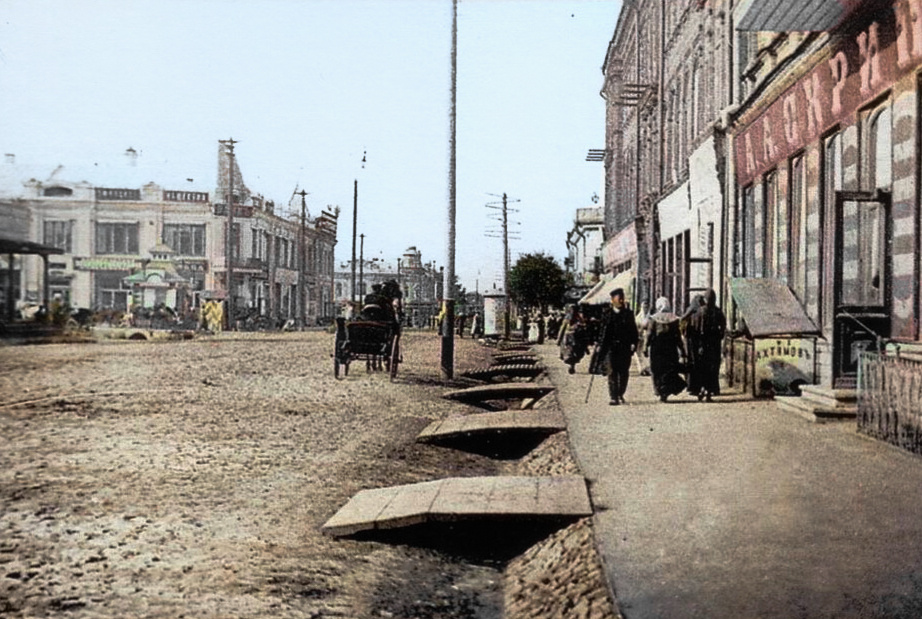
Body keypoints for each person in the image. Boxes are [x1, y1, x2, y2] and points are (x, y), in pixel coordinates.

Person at [591, 288, 639, 406]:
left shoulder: (628, 314)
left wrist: (634, 343)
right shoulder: (607, 314)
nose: (621, 301)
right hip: (610, 347)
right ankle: (613, 397)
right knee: (612, 371)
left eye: (622, 299)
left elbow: (633, 331)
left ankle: (620, 393)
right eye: (619, 299)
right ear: (612, 300)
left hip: (624, 347)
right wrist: (598, 343)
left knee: (623, 372)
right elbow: (602, 331)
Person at [686, 288, 727, 401]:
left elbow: (695, 331)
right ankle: (709, 391)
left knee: (702, 368)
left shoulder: (699, 312)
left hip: (702, 345)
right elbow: (723, 328)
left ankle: (701, 390)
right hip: (713, 346)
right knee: (712, 369)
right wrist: (719, 336)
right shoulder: (718, 312)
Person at [644, 297, 687, 402]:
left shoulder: (653, 319)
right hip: (670, 349)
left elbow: (649, 334)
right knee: (669, 371)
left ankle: (660, 391)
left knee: (657, 371)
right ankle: (666, 392)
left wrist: (646, 347)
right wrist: (682, 350)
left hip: (657, 349)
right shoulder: (674, 319)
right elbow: (677, 337)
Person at [680, 294, 705, 396]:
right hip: (695, 341)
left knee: (692, 362)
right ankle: (695, 386)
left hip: (691, 341)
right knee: (696, 363)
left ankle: (692, 386)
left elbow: (682, 326)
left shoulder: (690, 311)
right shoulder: (700, 312)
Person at [558, 305, 589, 374]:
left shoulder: (577, 318)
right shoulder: (573, 318)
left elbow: (562, 329)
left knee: (573, 353)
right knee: (573, 353)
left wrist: (559, 339)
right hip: (572, 339)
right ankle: (572, 365)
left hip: (573, 338)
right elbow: (562, 329)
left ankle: (572, 365)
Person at [634, 300, 651, 376]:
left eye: (646, 307)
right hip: (640, 338)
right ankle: (641, 369)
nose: (645, 308)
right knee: (639, 354)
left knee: (647, 355)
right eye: (644, 307)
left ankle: (647, 369)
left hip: (648, 338)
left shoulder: (651, 318)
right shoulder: (638, 317)